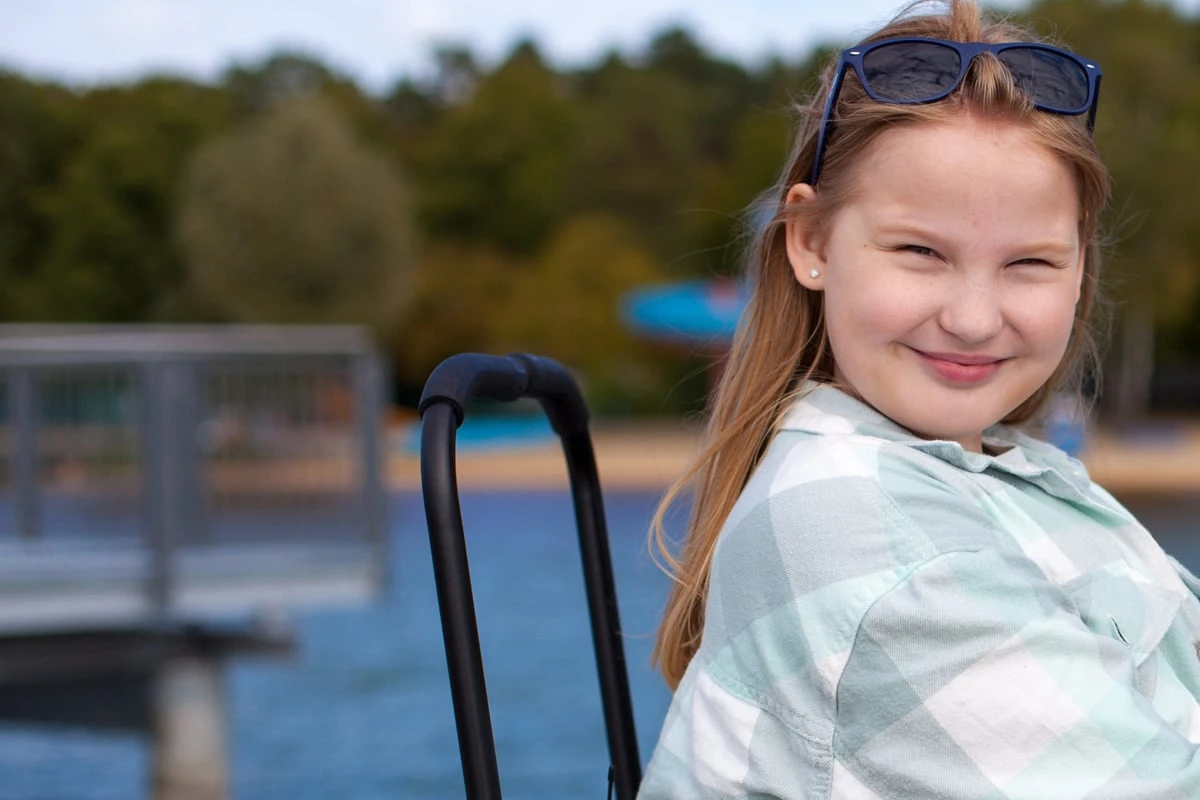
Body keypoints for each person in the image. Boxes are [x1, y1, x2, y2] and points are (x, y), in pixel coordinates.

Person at [639, 1, 1200, 797]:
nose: (972, 318)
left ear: (1081, 267)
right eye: (919, 252)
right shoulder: (881, 549)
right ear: (812, 243)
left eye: (1030, 263)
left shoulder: (1005, 474)